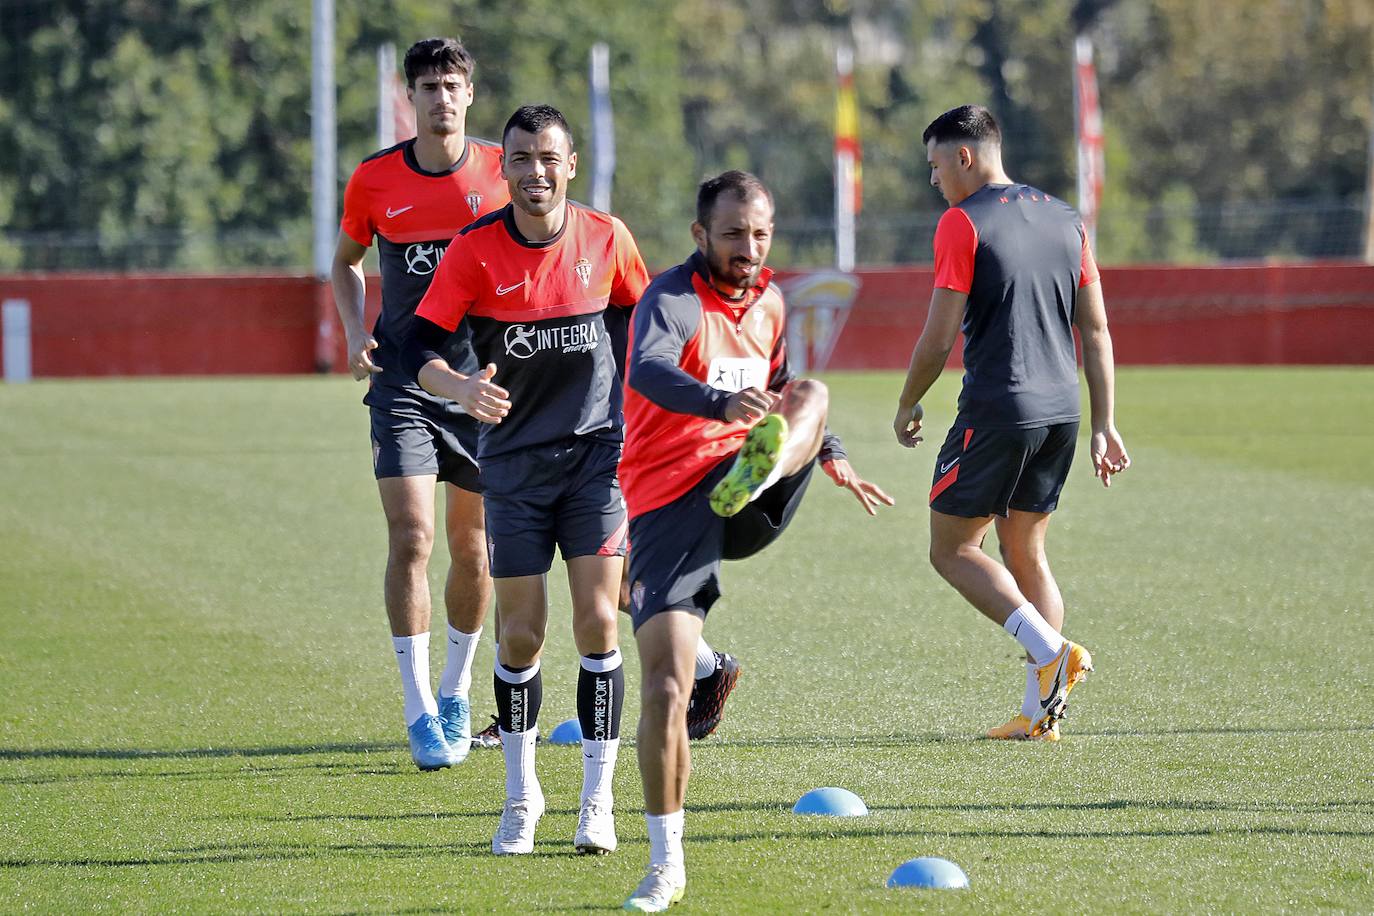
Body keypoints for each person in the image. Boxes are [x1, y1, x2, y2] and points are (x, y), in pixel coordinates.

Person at [617, 170, 893, 911]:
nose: (749, 247)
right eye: (734, 233)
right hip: (672, 501)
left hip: (746, 489)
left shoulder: (771, 302)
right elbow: (646, 368)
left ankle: (764, 468)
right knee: (667, 685)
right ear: (700, 234)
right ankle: (665, 864)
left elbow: (780, 385)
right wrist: (715, 400)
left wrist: (830, 456)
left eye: (761, 233)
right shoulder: (671, 299)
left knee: (812, 394)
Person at [408, 104, 647, 857]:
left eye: (548, 158)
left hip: (595, 462)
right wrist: (459, 390)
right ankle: (521, 798)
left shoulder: (607, 238)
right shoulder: (474, 251)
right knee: (520, 635)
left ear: (570, 164)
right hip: (510, 468)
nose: (534, 172)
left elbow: (646, 325)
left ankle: (597, 802)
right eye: (519, 159)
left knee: (601, 625)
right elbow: (414, 344)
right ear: (502, 167)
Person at [892, 105, 1129, 743]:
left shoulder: (961, 224)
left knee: (952, 548)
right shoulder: (1065, 218)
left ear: (964, 157)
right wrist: (1105, 423)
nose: (935, 181)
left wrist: (908, 399)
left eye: (937, 166)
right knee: (1025, 550)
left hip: (999, 410)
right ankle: (1038, 716)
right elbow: (1098, 329)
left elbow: (939, 337)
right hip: (1062, 412)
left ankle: (1052, 653)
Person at [331, 38, 509, 771]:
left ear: (471, 94)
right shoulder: (374, 180)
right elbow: (342, 263)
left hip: (484, 386)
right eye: (428, 86)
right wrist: (351, 332)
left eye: (453, 84)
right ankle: (418, 711)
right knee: (412, 538)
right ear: (411, 98)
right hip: (403, 382)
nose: (441, 97)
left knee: (473, 548)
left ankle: (458, 689)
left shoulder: (506, 172)